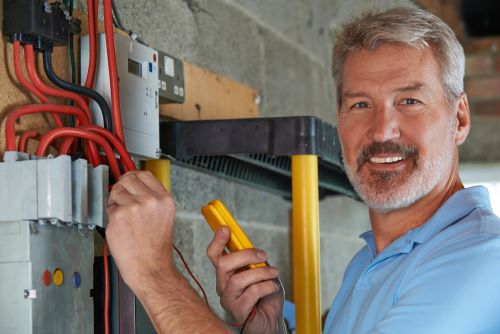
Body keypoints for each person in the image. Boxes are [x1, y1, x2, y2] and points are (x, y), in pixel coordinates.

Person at [106, 6, 500, 334]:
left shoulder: (481, 260)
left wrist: (154, 274)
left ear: (460, 118)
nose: (382, 130)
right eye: (360, 104)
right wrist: (271, 328)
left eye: (410, 100)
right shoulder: (368, 264)